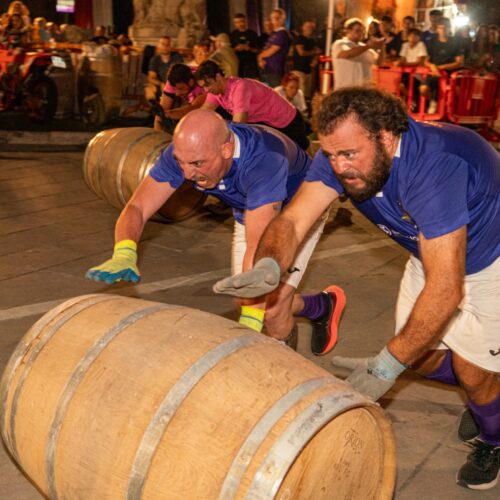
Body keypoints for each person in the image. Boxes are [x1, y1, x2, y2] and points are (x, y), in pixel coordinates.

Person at [213, 86, 500, 492]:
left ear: (385, 136)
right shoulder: (341, 154)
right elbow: (293, 220)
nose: (339, 166)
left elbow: (447, 289)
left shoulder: (433, 167)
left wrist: (386, 365)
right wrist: (269, 263)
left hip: (492, 262)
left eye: (349, 154)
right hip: (432, 253)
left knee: (470, 371)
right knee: (421, 357)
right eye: (330, 154)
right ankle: (488, 393)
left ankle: (493, 438)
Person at [86, 109, 346, 355]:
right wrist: (124, 251)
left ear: (226, 149)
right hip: (252, 209)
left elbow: (259, 249)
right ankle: (321, 306)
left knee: (270, 312)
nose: (187, 174)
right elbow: (138, 207)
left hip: (298, 213)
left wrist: (248, 327)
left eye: (197, 163)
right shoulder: (187, 153)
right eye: (181, 162)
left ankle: (282, 379)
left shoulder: (263, 160)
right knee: (250, 299)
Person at [196, 60, 309, 150]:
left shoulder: (239, 87)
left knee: (304, 161)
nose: (206, 89)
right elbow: (202, 114)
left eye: (208, 84)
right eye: (203, 86)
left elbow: (239, 125)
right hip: (270, 125)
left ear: (218, 77)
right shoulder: (214, 92)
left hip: (289, 121)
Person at [420, 18, 464, 113]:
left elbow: (459, 62)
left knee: (452, 97)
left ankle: (448, 113)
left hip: (449, 75)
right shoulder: (432, 41)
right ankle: (433, 100)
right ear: (437, 29)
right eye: (441, 28)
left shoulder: (455, 42)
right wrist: (432, 66)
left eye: (445, 28)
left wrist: (440, 68)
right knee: (423, 89)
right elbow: (426, 60)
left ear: (449, 28)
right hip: (434, 73)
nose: (443, 30)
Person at [331, 18, 385, 90]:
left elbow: (379, 63)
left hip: (364, 91)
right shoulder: (339, 44)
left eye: (362, 31)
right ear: (348, 30)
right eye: (358, 30)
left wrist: (382, 47)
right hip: (345, 90)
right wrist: (368, 46)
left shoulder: (364, 47)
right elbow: (346, 54)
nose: (361, 33)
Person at [154, 63, 206, 131]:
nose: (177, 93)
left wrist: (168, 114)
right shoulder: (172, 82)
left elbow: (193, 109)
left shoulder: (203, 82)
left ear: (191, 82)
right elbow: (161, 112)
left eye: (181, 88)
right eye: (175, 89)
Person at [258, 8, 290, 87]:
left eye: (277, 18)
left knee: (274, 94)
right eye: (272, 18)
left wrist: (260, 56)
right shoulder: (274, 33)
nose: (274, 21)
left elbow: (273, 49)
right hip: (267, 70)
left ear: (282, 19)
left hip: (275, 71)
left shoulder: (282, 34)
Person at [145, 35, 184, 101]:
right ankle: (154, 108)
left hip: (174, 84)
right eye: (163, 44)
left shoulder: (177, 57)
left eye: (168, 44)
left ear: (171, 46)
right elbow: (151, 77)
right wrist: (161, 84)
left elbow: (180, 74)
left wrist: (169, 85)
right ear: (159, 46)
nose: (165, 47)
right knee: (149, 89)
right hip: (160, 85)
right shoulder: (155, 59)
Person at [292, 20, 321, 101]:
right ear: (303, 28)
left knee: (307, 94)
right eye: (308, 26)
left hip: (308, 71)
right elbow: (301, 52)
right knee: (300, 94)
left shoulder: (312, 41)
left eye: (311, 27)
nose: (310, 29)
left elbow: (318, 51)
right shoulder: (299, 39)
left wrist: (315, 59)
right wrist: (314, 52)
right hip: (299, 70)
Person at [230, 13, 260, 79]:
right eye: (236, 22)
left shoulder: (252, 34)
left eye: (241, 21)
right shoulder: (233, 34)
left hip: (251, 65)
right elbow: (229, 50)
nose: (239, 24)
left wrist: (248, 48)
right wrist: (236, 49)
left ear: (245, 21)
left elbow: (258, 51)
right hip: (237, 65)